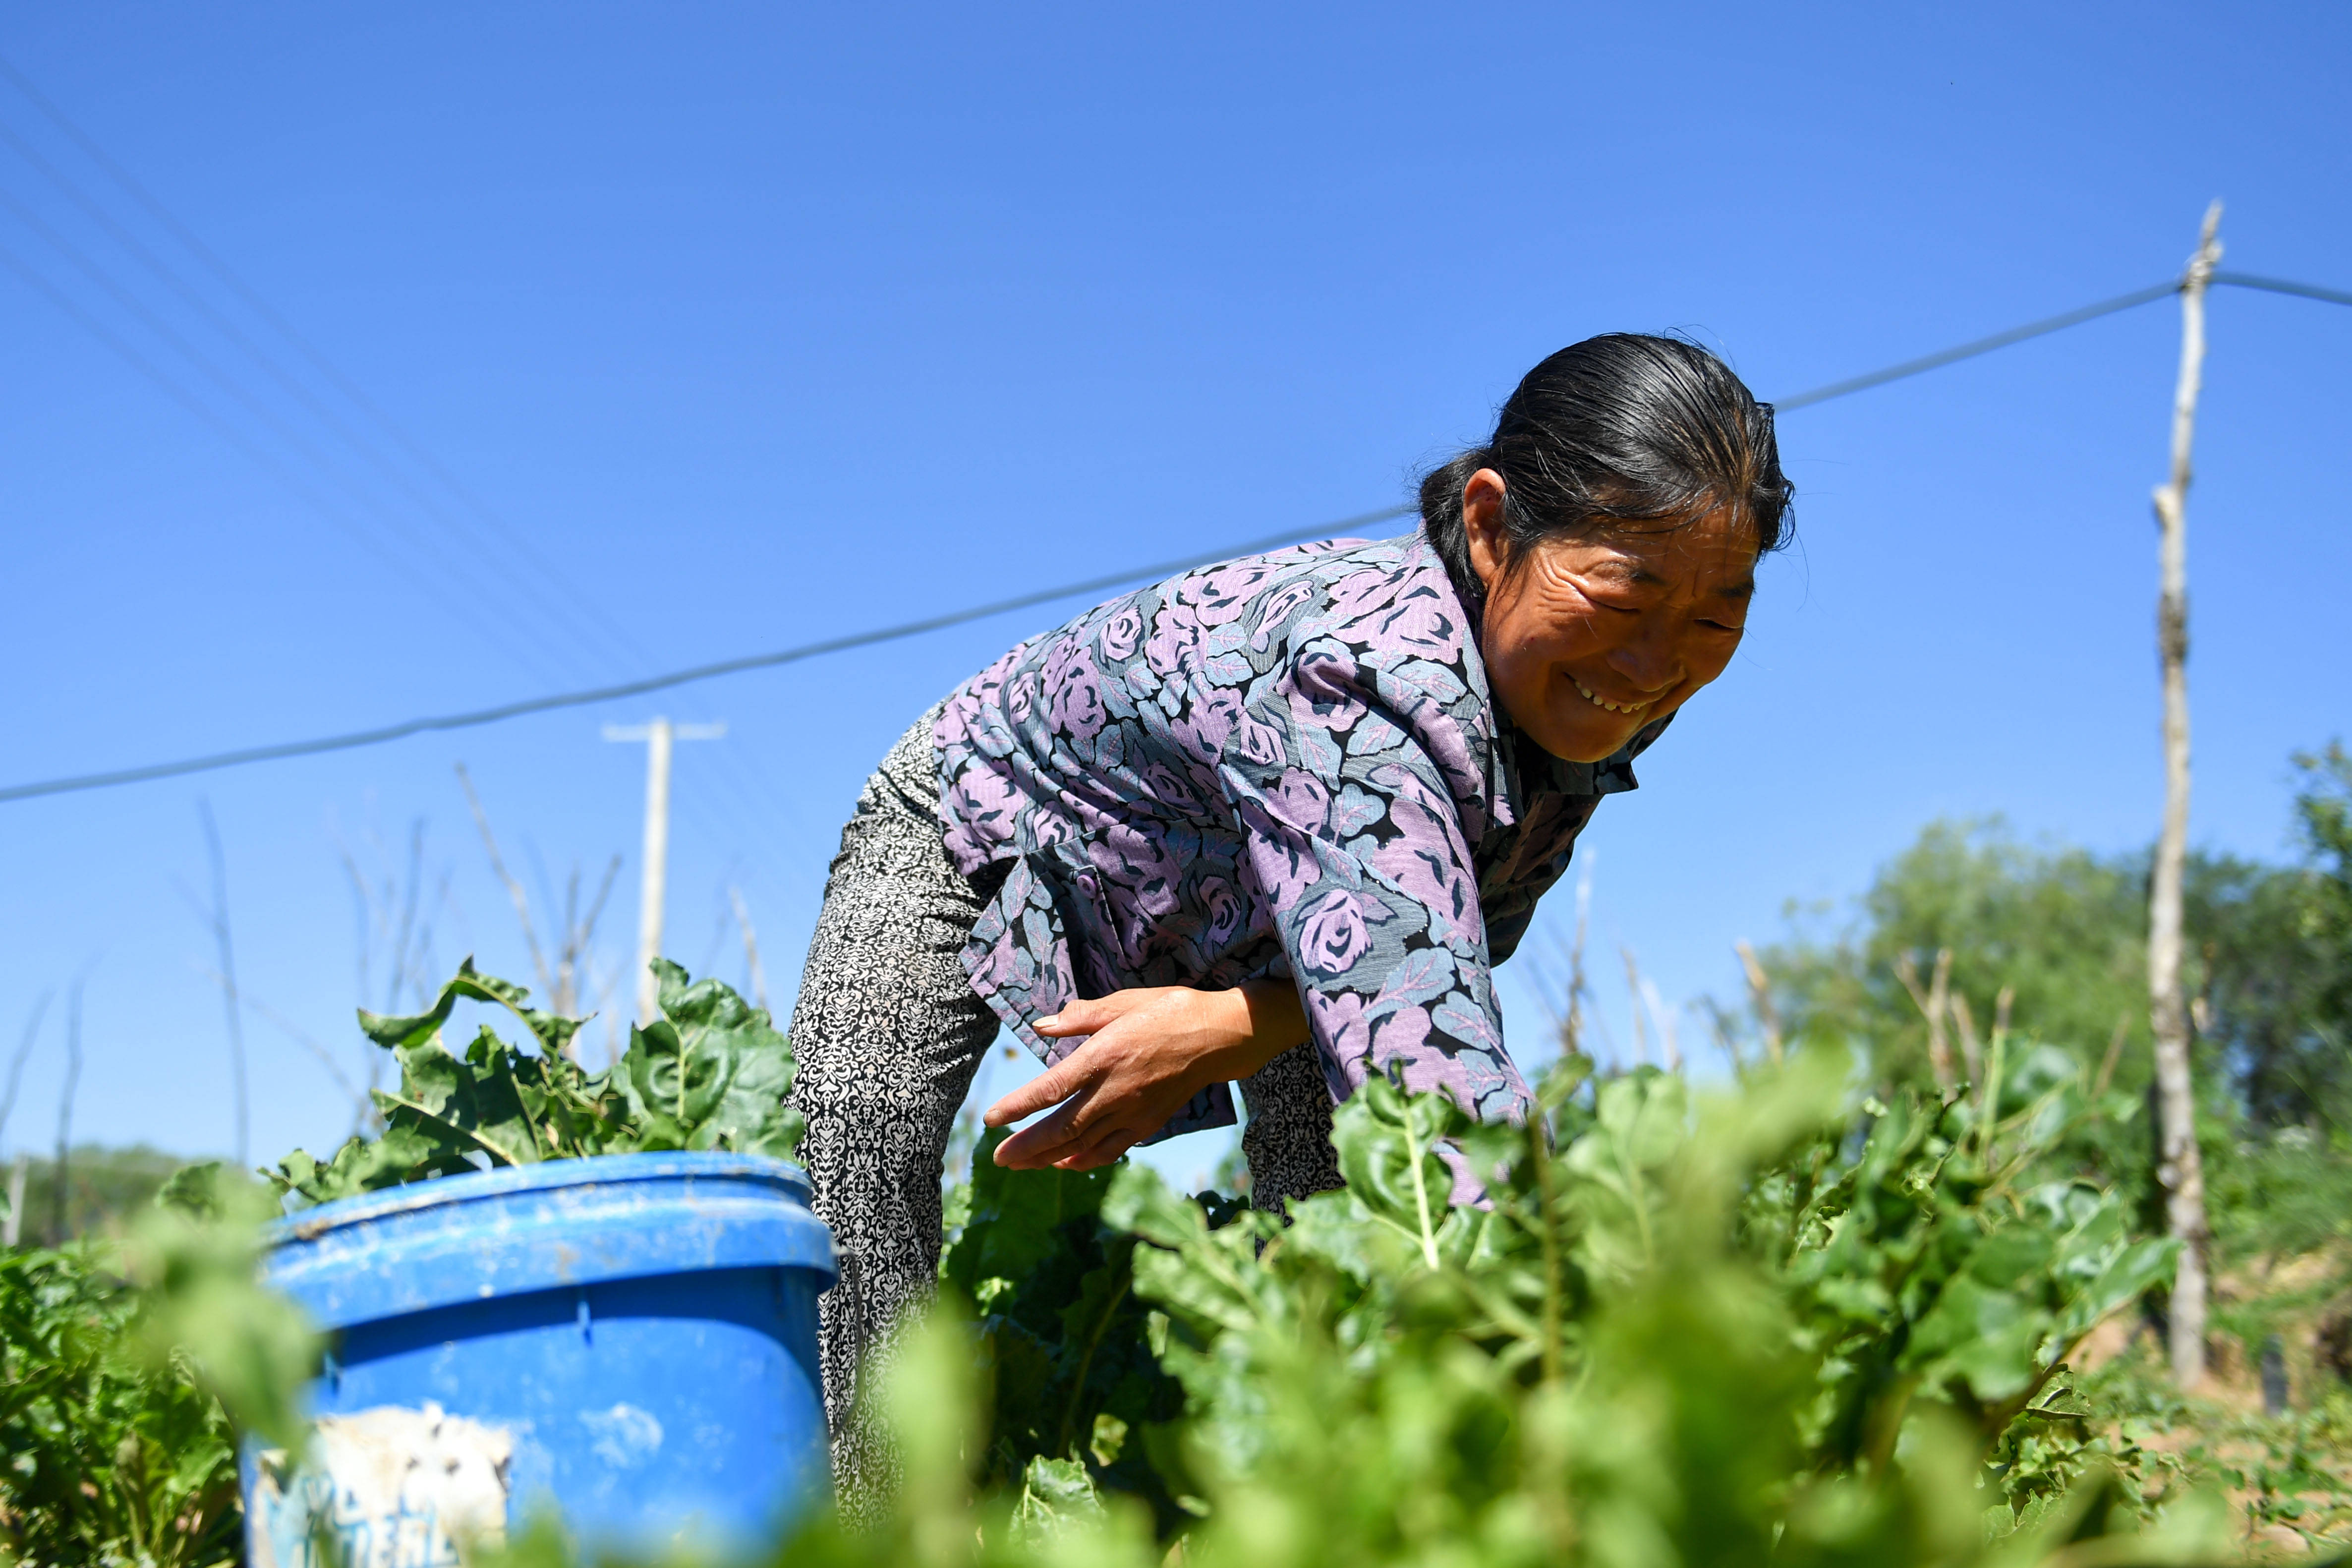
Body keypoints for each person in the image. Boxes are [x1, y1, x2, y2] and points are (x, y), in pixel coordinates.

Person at [785, 333, 1793, 1498]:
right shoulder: (1358, 673)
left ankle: (1334, 1504)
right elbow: (1445, 1098)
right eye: (1627, 595)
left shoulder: (1590, 683)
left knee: (1344, 1200)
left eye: (1718, 621)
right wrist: (1603, 1384)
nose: (1660, 665)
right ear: (1489, 526)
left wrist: (1233, 1021)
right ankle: (869, 1519)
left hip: (1281, 905)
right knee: (851, 1142)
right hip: (989, 812)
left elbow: (1447, 950)